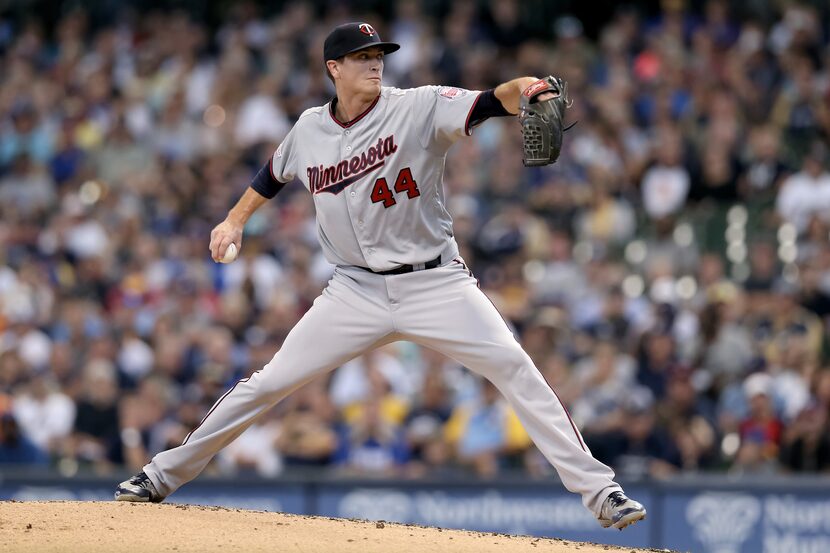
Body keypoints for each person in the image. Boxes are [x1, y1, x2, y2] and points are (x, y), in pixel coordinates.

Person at [115, 22, 646, 530]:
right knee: (269, 382)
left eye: (378, 57)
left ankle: (601, 493)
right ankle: (160, 475)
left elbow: (491, 100)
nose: (375, 65)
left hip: (435, 282)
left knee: (515, 367)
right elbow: (272, 175)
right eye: (362, 59)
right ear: (333, 68)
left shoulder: (417, 106)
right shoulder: (309, 128)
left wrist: (528, 88)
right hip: (353, 290)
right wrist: (234, 219)